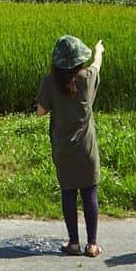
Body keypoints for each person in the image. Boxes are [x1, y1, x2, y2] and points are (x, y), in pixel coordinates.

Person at [36, 34, 105, 257]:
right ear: (78, 60)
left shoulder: (49, 82)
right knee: (89, 192)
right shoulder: (87, 78)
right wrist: (98, 51)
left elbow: (41, 112)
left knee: (68, 192)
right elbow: (97, 65)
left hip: (63, 148)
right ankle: (92, 244)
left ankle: (73, 243)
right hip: (86, 148)